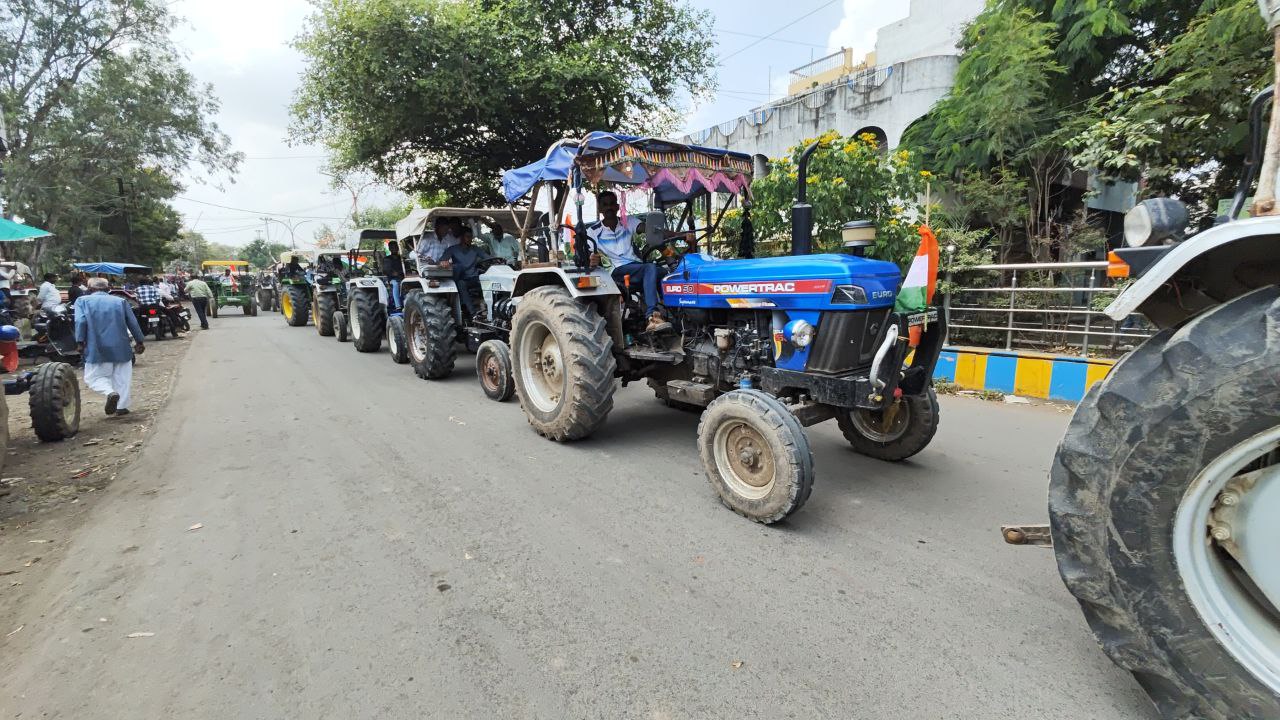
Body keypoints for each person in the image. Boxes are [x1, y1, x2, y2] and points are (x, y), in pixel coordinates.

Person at [587, 191, 669, 333]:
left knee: (667, 274)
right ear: (600, 209)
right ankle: (653, 317)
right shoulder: (593, 231)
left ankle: (671, 312)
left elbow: (651, 230)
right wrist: (591, 259)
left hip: (635, 267)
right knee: (649, 268)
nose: (609, 208)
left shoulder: (627, 222)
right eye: (605, 205)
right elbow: (587, 254)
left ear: (617, 207)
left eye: (612, 204)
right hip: (616, 271)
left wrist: (681, 236)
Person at [75, 278, 145, 416]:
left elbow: (80, 321)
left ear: (89, 289)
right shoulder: (120, 301)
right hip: (121, 346)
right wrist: (140, 341)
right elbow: (132, 322)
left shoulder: (82, 301)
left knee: (93, 378)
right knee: (122, 377)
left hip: (96, 346)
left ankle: (109, 392)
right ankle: (122, 407)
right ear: (108, 289)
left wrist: (80, 341)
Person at [439, 228, 491, 318]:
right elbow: (442, 260)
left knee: (490, 282)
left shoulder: (475, 249)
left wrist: (496, 260)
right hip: (462, 278)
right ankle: (473, 314)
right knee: (461, 284)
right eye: (468, 237)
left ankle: (490, 308)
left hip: (475, 277)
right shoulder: (453, 249)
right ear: (461, 238)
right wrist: (444, 262)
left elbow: (488, 258)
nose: (470, 239)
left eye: (471, 237)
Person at [381, 241, 406, 310]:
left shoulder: (402, 258)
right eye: (392, 247)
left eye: (395, 247)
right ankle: (398, 306)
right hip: (392, 279)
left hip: (403, 277)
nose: (394, 248)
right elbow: (386, 270)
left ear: (398, 248)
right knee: (395, 284)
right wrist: (393, 273)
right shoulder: (387, 259)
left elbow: (407, 268)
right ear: (390, 249)